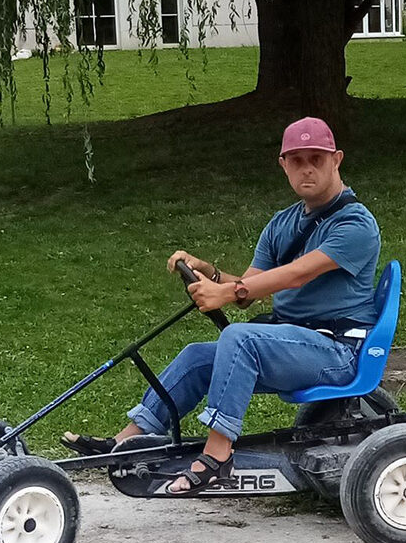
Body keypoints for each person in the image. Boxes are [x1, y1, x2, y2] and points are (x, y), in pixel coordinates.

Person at [65, 116, 382, 495]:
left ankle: (218, 457)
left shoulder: (356, 224)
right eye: (297, 159)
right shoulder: (282, 224)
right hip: (293, 344)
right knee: (199, 356)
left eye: (317, 157)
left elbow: (297, 274)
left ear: (337, 160)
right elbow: (251, 288)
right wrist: (211, 274)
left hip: (338, 351)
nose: (307, 167)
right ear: (283, 164)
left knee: (240, 338)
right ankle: (126, 443)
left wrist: (228, 295)